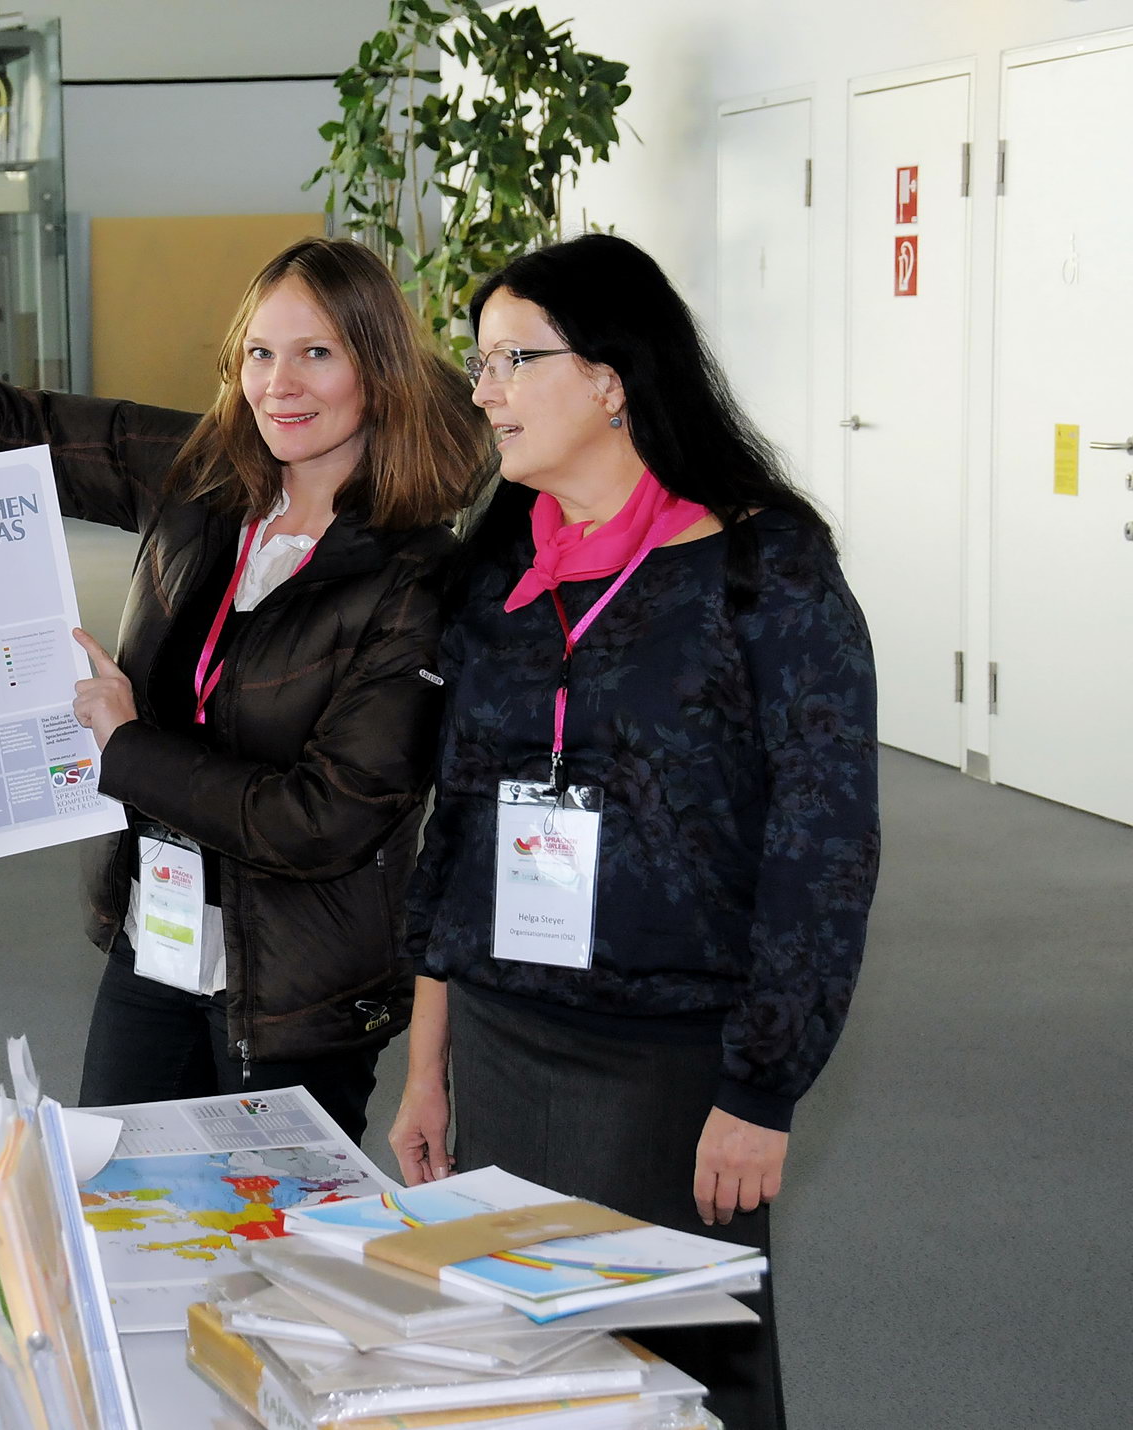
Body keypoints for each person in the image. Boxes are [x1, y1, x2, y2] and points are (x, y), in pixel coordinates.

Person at [0, 238, 490, 1139]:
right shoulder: (204, 478)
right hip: (154, 941)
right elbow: (28, 422)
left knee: (267, 1225)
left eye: (317, 353)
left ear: (379, 367)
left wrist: (128, 749)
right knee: (116, 1199)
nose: (280, 384)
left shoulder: (416, 577)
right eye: (260, 353)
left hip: (294, 988)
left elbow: (325, 819)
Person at [387, 233, 880, 1430]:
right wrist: (425, 1062)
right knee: (523, 1373)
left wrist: (762, 1086)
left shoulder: (762, 565)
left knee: (682, 1380)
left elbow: (821, 843)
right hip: (505, 1034)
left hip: (670, 1059)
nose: (483, 391)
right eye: (478, 363)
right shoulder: (496, 571)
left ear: (609, 378)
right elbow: (457, 826)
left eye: (511, 360)